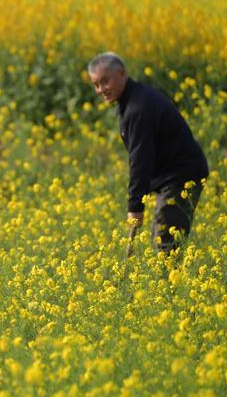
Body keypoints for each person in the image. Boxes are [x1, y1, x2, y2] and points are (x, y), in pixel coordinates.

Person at [87, 52, 209, 253]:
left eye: (105, 81)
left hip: (181, 175)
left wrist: (135, 206)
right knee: (164, 238)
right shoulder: (131, 100)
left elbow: (140, 159)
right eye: (96, 84)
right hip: (171, 174)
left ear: (122, 73)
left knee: (166, 241)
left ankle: (171, 282)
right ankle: (168, 279)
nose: (101, 89)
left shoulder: (138, 107)